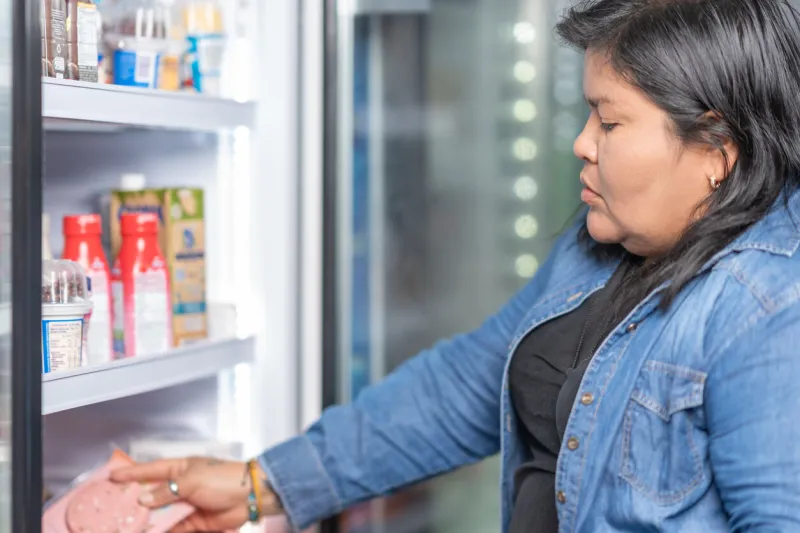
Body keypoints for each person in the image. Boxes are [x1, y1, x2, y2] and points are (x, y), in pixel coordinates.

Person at [111, 0, 800, 531]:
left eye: (609, 122)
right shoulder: (601, 245)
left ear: (715, 147)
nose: (580, 143)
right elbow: (468, 383)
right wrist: (258, 484)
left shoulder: (768, 309)